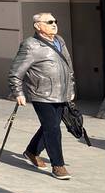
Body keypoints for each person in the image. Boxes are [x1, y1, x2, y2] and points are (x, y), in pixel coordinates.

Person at [7, 12, 76, 180]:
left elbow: (68, 66)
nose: (54, 24)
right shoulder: (30, 45)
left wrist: (71, 88)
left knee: (50, 126)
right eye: (49, 21)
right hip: (41, 94)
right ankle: (58, 165)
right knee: (53, 128)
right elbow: (15, 72)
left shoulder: (59, 41)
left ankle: (32, 151)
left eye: (55, 21)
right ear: (38, 26)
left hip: (62, 92)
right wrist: (18, 92)